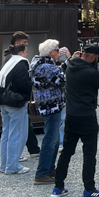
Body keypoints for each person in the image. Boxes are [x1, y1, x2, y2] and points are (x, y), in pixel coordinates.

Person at [51, 45, 99, 197]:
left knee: (66, 152)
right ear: (92, 56)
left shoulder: (70, 65)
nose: (98, 61)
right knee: (89, 154)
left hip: (71, 116)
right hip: (87, 117)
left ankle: (58, 187)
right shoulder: (91, 73)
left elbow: (76, 55)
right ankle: (89, 190)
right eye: (97, 58)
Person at [29, 39, 67, 185]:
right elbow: (61, 80)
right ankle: (42, 173)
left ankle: (50, 169)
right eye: (58, 50)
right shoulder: (45, 66)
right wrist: (69, 62)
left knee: (54, 138)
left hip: (49, 105)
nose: (59, 52)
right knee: (51, 139)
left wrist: (65, 64)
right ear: (51, 53)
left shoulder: (40, 64)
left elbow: (56, 74)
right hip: (51, 105)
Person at [0, 43, 33, 174]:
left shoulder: (8, 62)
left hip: (2, 100)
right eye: (26, 51)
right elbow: (23, 84)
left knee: (6, 133)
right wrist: (33, 82)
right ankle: (12, 166)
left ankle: (4, 165)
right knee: (16, 134)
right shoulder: (21, 63)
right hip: (15, 101)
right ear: (22, 52)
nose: (27, 54)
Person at [6, 31, 41, 160]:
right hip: (15, 98)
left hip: (12, 98)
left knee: (22, 127)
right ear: (16, 44)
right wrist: (32, 84)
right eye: (24, 43)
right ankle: (16, 157)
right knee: (17, 129)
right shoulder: (14, 59)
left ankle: (32, 150)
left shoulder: (11, 58)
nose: (26, 45)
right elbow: (21, 81)